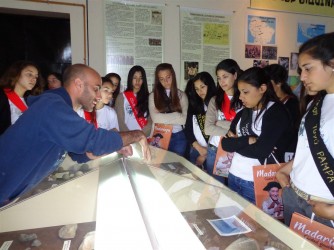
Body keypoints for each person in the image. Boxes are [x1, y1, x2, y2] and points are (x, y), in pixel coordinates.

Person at [0, 64, 151, 207]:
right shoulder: (53, 107)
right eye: (96, 89)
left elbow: (81, 153)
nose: (99, 96)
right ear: (78, 84)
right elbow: (95, 141)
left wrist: (116, 146)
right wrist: (137, 135)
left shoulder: (59, 107)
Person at [276, 32, 334, 227]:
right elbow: (310, 149)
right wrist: (288, 170)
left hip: (323, 207)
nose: (302, 77)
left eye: (308, 68)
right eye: (301, 70)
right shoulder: (316, 103)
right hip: (295, 194)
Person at [221, 67, 291, 204]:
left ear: (262, 88)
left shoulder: (275, 112)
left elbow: (261, 151)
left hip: (256, 181)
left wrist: (237, 143)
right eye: (240, 92)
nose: (240, 97)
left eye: (245, 92)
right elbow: (225, 144)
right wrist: (248, 140)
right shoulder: (243, 112)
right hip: (234, 174)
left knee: (253, 223)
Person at [204, 59, 242, 184]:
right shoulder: (215, 100)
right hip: (215, 149)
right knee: (216, 189)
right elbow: (208, 128)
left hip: (237, 152)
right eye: (219, 78)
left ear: (235, 75)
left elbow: (244, 126)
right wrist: (228, 130)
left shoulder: (244, 98)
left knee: (233, 191)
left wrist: (219, 123)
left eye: (225, 77)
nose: (222, 81)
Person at [149, 63, 188, 157]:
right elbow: (155, 118)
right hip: (160, 135)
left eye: (168, 77)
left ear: (173, 76)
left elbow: (183, 119)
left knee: (176, 167)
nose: (165, 81)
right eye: (161, 79)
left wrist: (162, 116)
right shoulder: (153, 96)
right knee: (160, 167)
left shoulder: (182, 95)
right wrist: (177, 115)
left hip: (178, 136)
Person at [264, 64, 300, 162]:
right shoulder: (269, 101)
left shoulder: (292, 103)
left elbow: (291, 133)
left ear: (279, 83)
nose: (264, 86)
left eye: (268, 82)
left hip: (283, 154)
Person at [0, 61, 43, 135]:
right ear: (16, 74)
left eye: (36, 76)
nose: (34, 79)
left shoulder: (32, 101)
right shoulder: (2, 97)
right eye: (29, 74)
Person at [184, 72, 216, 169]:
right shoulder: (194, 104)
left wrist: (205, 154)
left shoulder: (217, 105)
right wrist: (199, 148)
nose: (200, 91)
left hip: (213, 152)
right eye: (197, 89)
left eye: (202, 87)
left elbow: (218, 134)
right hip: (195, 149)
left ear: (209, 85)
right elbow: (188, 129)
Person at [115, 65, 151, 137]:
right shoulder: (121, 97)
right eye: (135, 78)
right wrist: (130, 137)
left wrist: (141, 135)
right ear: (130, 79)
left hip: (144, 137)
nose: (137, 81)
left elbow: (150, 120)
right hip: (127, 138)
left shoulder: (149, 97)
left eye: (140, 78)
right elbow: (120, 121)